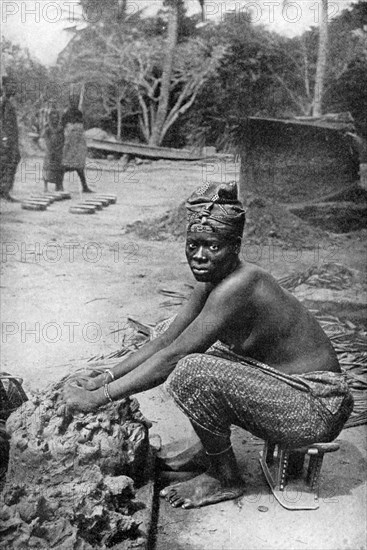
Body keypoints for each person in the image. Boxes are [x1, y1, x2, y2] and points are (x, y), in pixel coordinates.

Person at [63, 181, 353, 509]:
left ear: (235, 246)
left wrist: (97, 399)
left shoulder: (241, 285)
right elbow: (165, 339)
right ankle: (210, 451)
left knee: (191, 371)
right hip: (289, 388)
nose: (199, 256)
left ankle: (223, 477)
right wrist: (106, 377)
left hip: (316, 407)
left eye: (212, 247)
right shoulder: (213, 281)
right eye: (193, 245)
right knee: (180, 341)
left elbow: (174, 356)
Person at [60, 96, 93, 193]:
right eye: (73, 102)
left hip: (79, 143)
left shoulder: (79, 113)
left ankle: (84, 186)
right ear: (70, 103)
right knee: (65, 164)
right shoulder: (66, 114)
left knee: (80, 166)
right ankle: (60, 185)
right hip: (70, 141)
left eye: (76, 102)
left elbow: (84, 125)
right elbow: (62, 127)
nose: (75, 104)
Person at [0, 76, 21, 202]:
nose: (13, 88)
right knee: (4, 164)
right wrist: (4, 138)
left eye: (14, 85)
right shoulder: (2, 102)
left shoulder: (9, 102)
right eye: (11, 85)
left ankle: (5, 191)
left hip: (12, 139)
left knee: (13, 161)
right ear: (4, 86)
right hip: (4, 139)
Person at [42, 107, 64, 192]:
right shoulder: (48, 128)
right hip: (50, 151)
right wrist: (50, 148)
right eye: (53, 118)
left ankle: (59, 185)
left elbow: (62, 139)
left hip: (58, 150)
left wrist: (59, 147)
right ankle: (45, 186)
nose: (55, 120)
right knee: (48, 167)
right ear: (50, 119)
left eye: (57, 118)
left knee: (59, 168)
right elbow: (46, 138)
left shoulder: (60, 128)